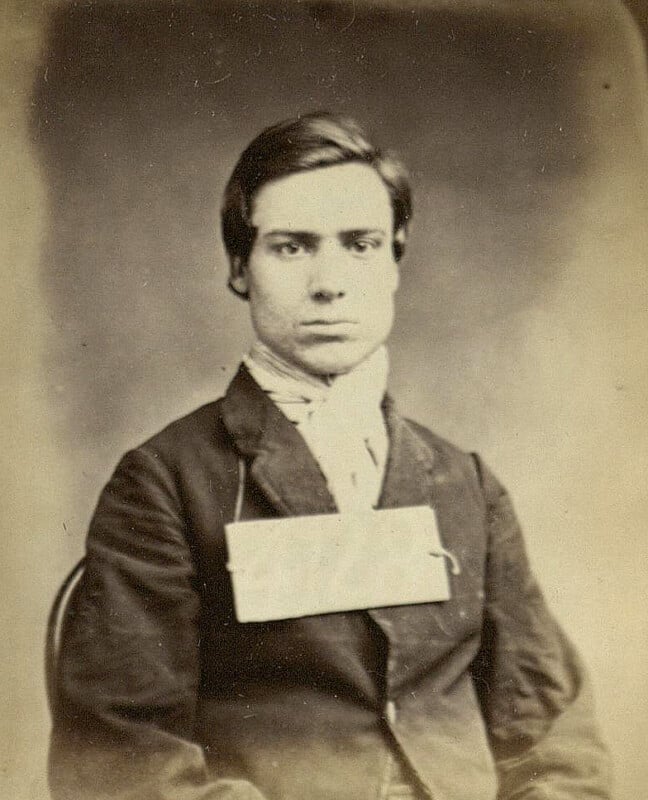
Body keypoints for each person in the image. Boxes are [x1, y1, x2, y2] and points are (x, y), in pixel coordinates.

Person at [49, 113, 612, 800]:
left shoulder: (465, 484)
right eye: (291, 248)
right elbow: (121, 753)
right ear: (238, 268)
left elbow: (552, 736)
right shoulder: (165, 483)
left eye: (360, 245)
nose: (329, 283)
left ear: (395, 264)